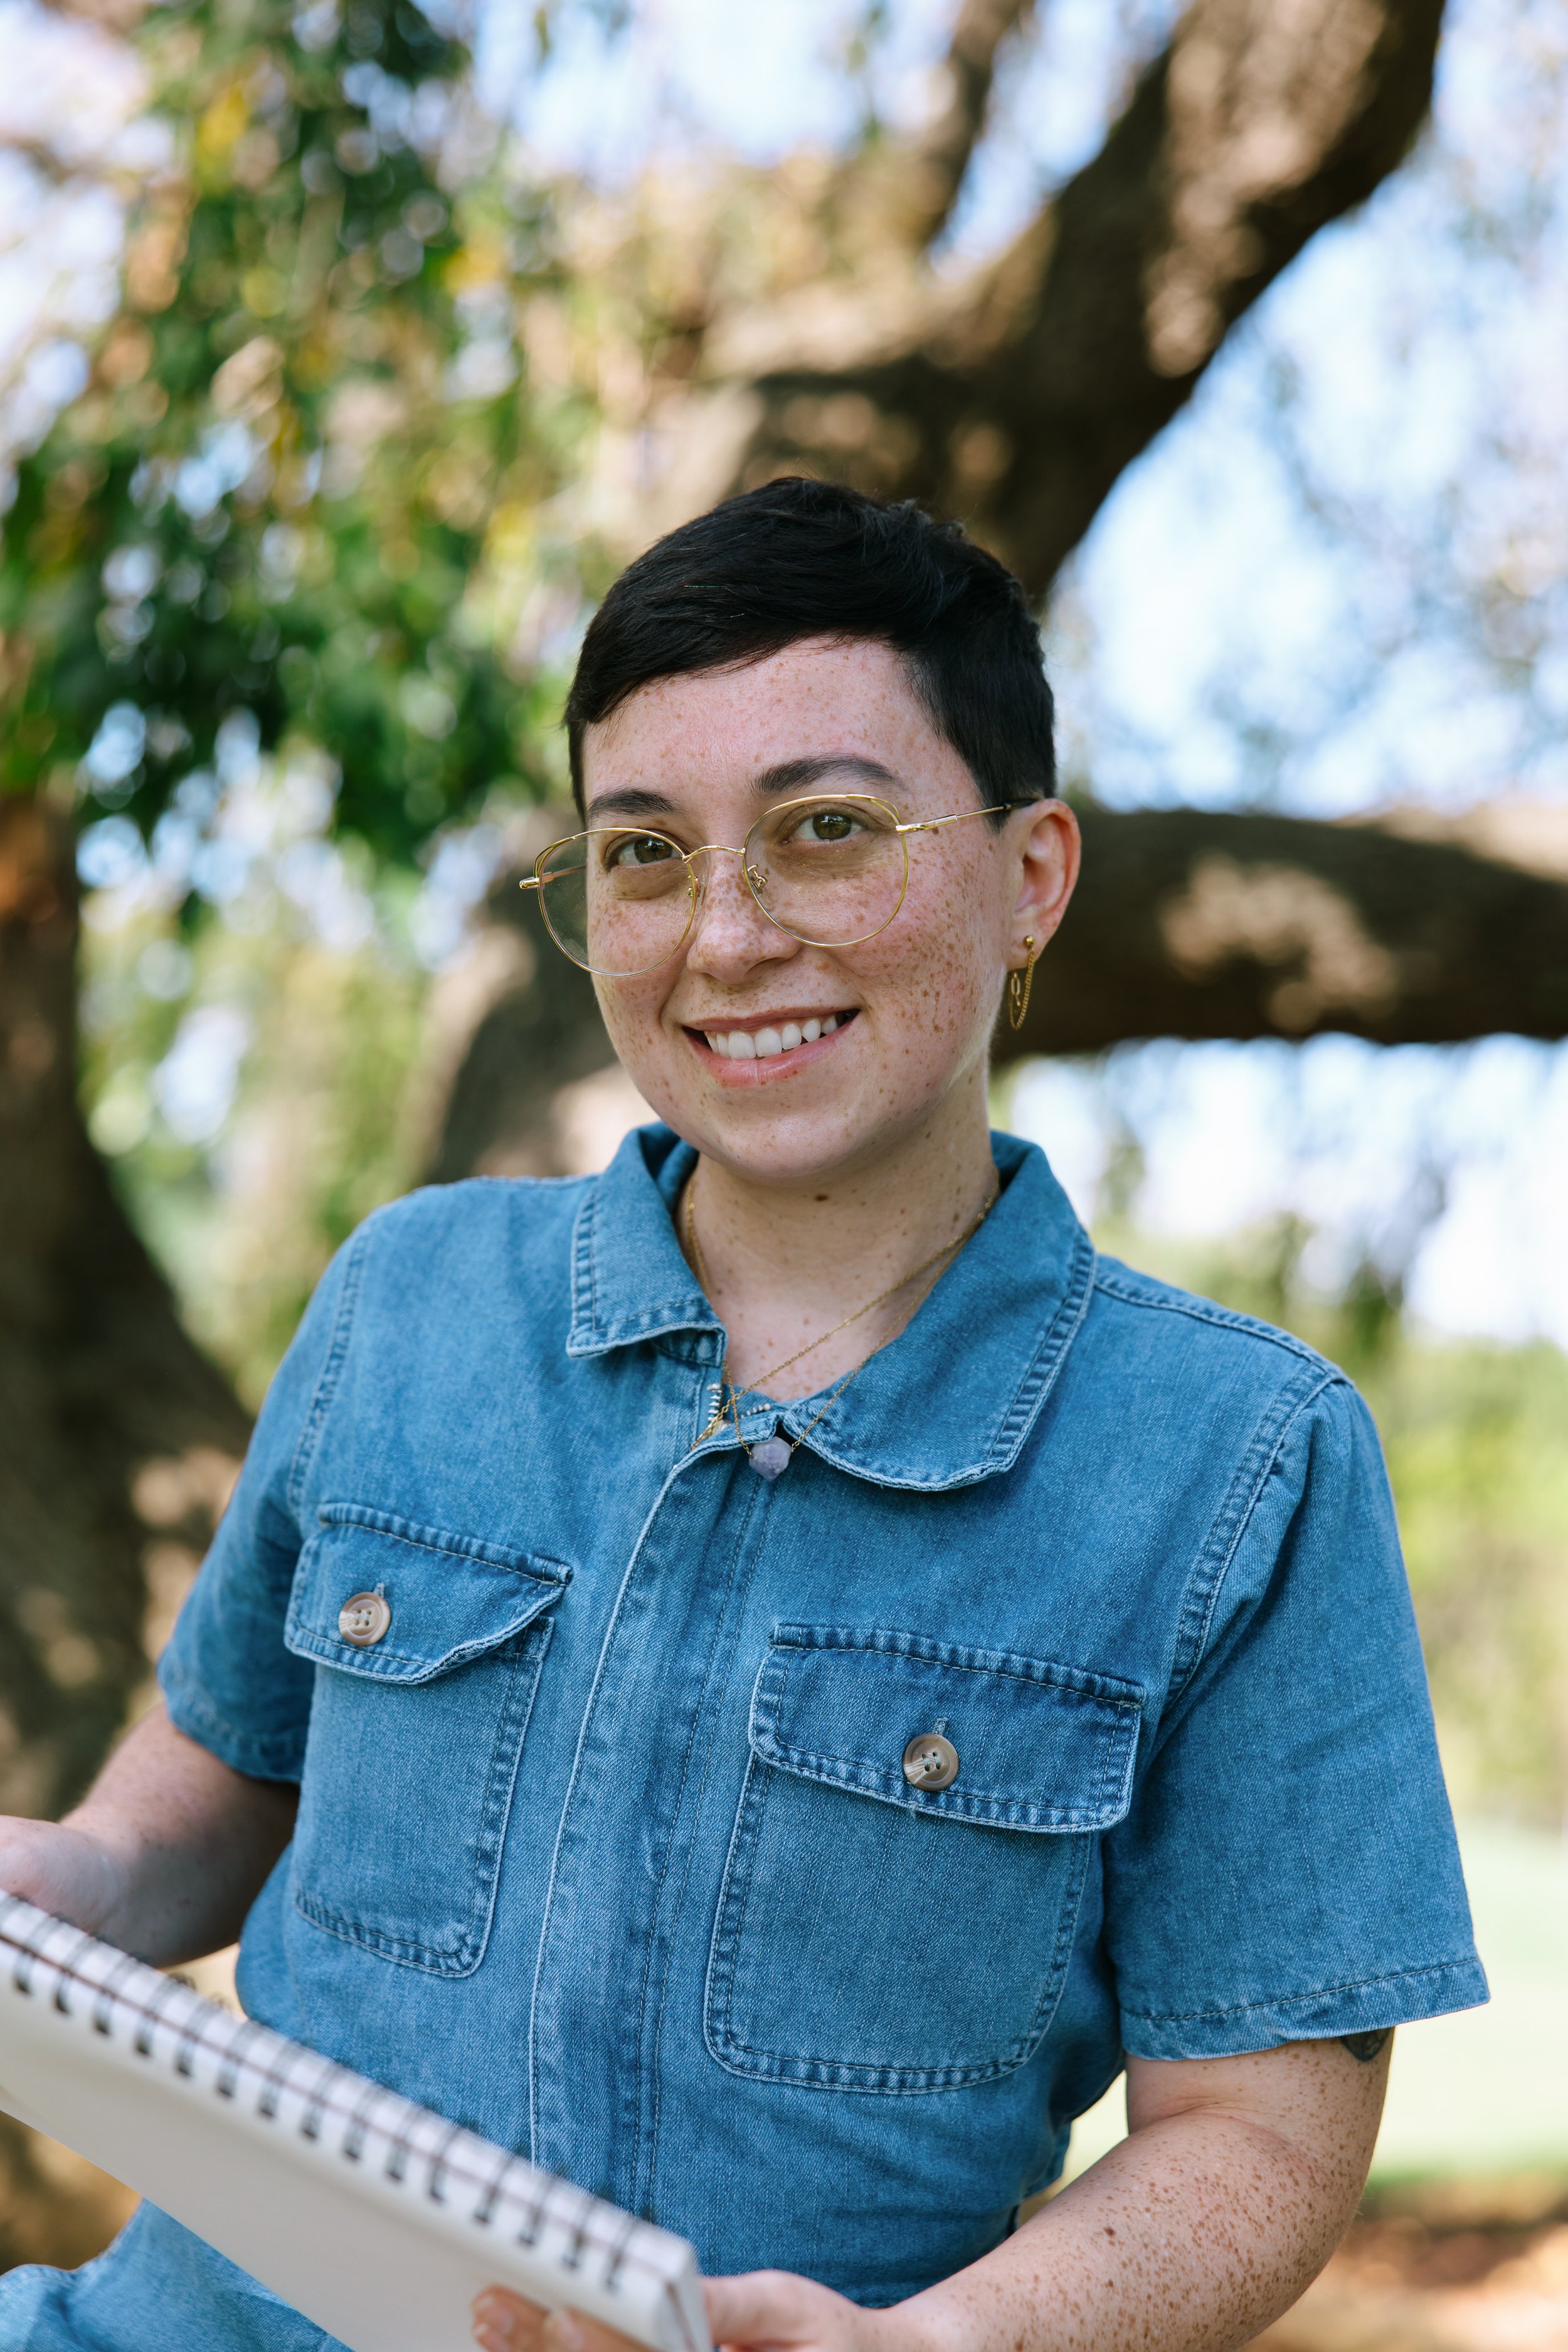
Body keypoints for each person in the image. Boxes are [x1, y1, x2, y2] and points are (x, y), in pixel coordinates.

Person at [0, 479, 1484, 2352]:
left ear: (1032, 874)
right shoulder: (412, 1294)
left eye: (825, 831)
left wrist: (932, 2347)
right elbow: (214, 1793)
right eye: (641, 853)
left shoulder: (1237, 1463)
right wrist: (71, 1880)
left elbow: (1260, 2133)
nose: (724, 935)